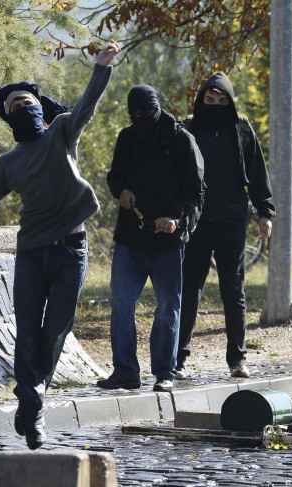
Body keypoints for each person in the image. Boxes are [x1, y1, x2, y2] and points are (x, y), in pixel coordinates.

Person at [0, 40, 121, 450]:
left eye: (26, 101)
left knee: (55, 330)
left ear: (40, 106)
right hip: (31, 254)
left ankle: (29, 399)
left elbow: (84, 109)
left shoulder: (61, 132)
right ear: (8, 120)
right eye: (13, 107)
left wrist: (101, 67)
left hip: (71, 251)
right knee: (27, 332)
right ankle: (35, 406)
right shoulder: (9, 162)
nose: (22, 107)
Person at [96, 85, 204, 393]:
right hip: (131, 237)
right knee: (120, 303)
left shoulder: (182, 140)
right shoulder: (127, 138)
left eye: (146, 113)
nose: (141, 119)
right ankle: (125, 371)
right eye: (135, 115)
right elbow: (115, 176)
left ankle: (164, 372)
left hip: (168, 240)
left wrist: (175, 219)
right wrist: (121, 191)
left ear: (158, 108)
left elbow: (195, 192)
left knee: (167, 305)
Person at [176, 72, 275, 379]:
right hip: (196, 220)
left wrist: (265, 212)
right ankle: (177, 358)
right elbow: (172, 172)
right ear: (200, 99)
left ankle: (237, 359)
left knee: (233, 290)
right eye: (210, 99)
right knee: (189, 287)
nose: (215, 104)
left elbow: (258, 174)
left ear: (230, 102)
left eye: (222, 100)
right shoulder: (187, 128)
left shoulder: (242, 129)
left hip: (232, 219)